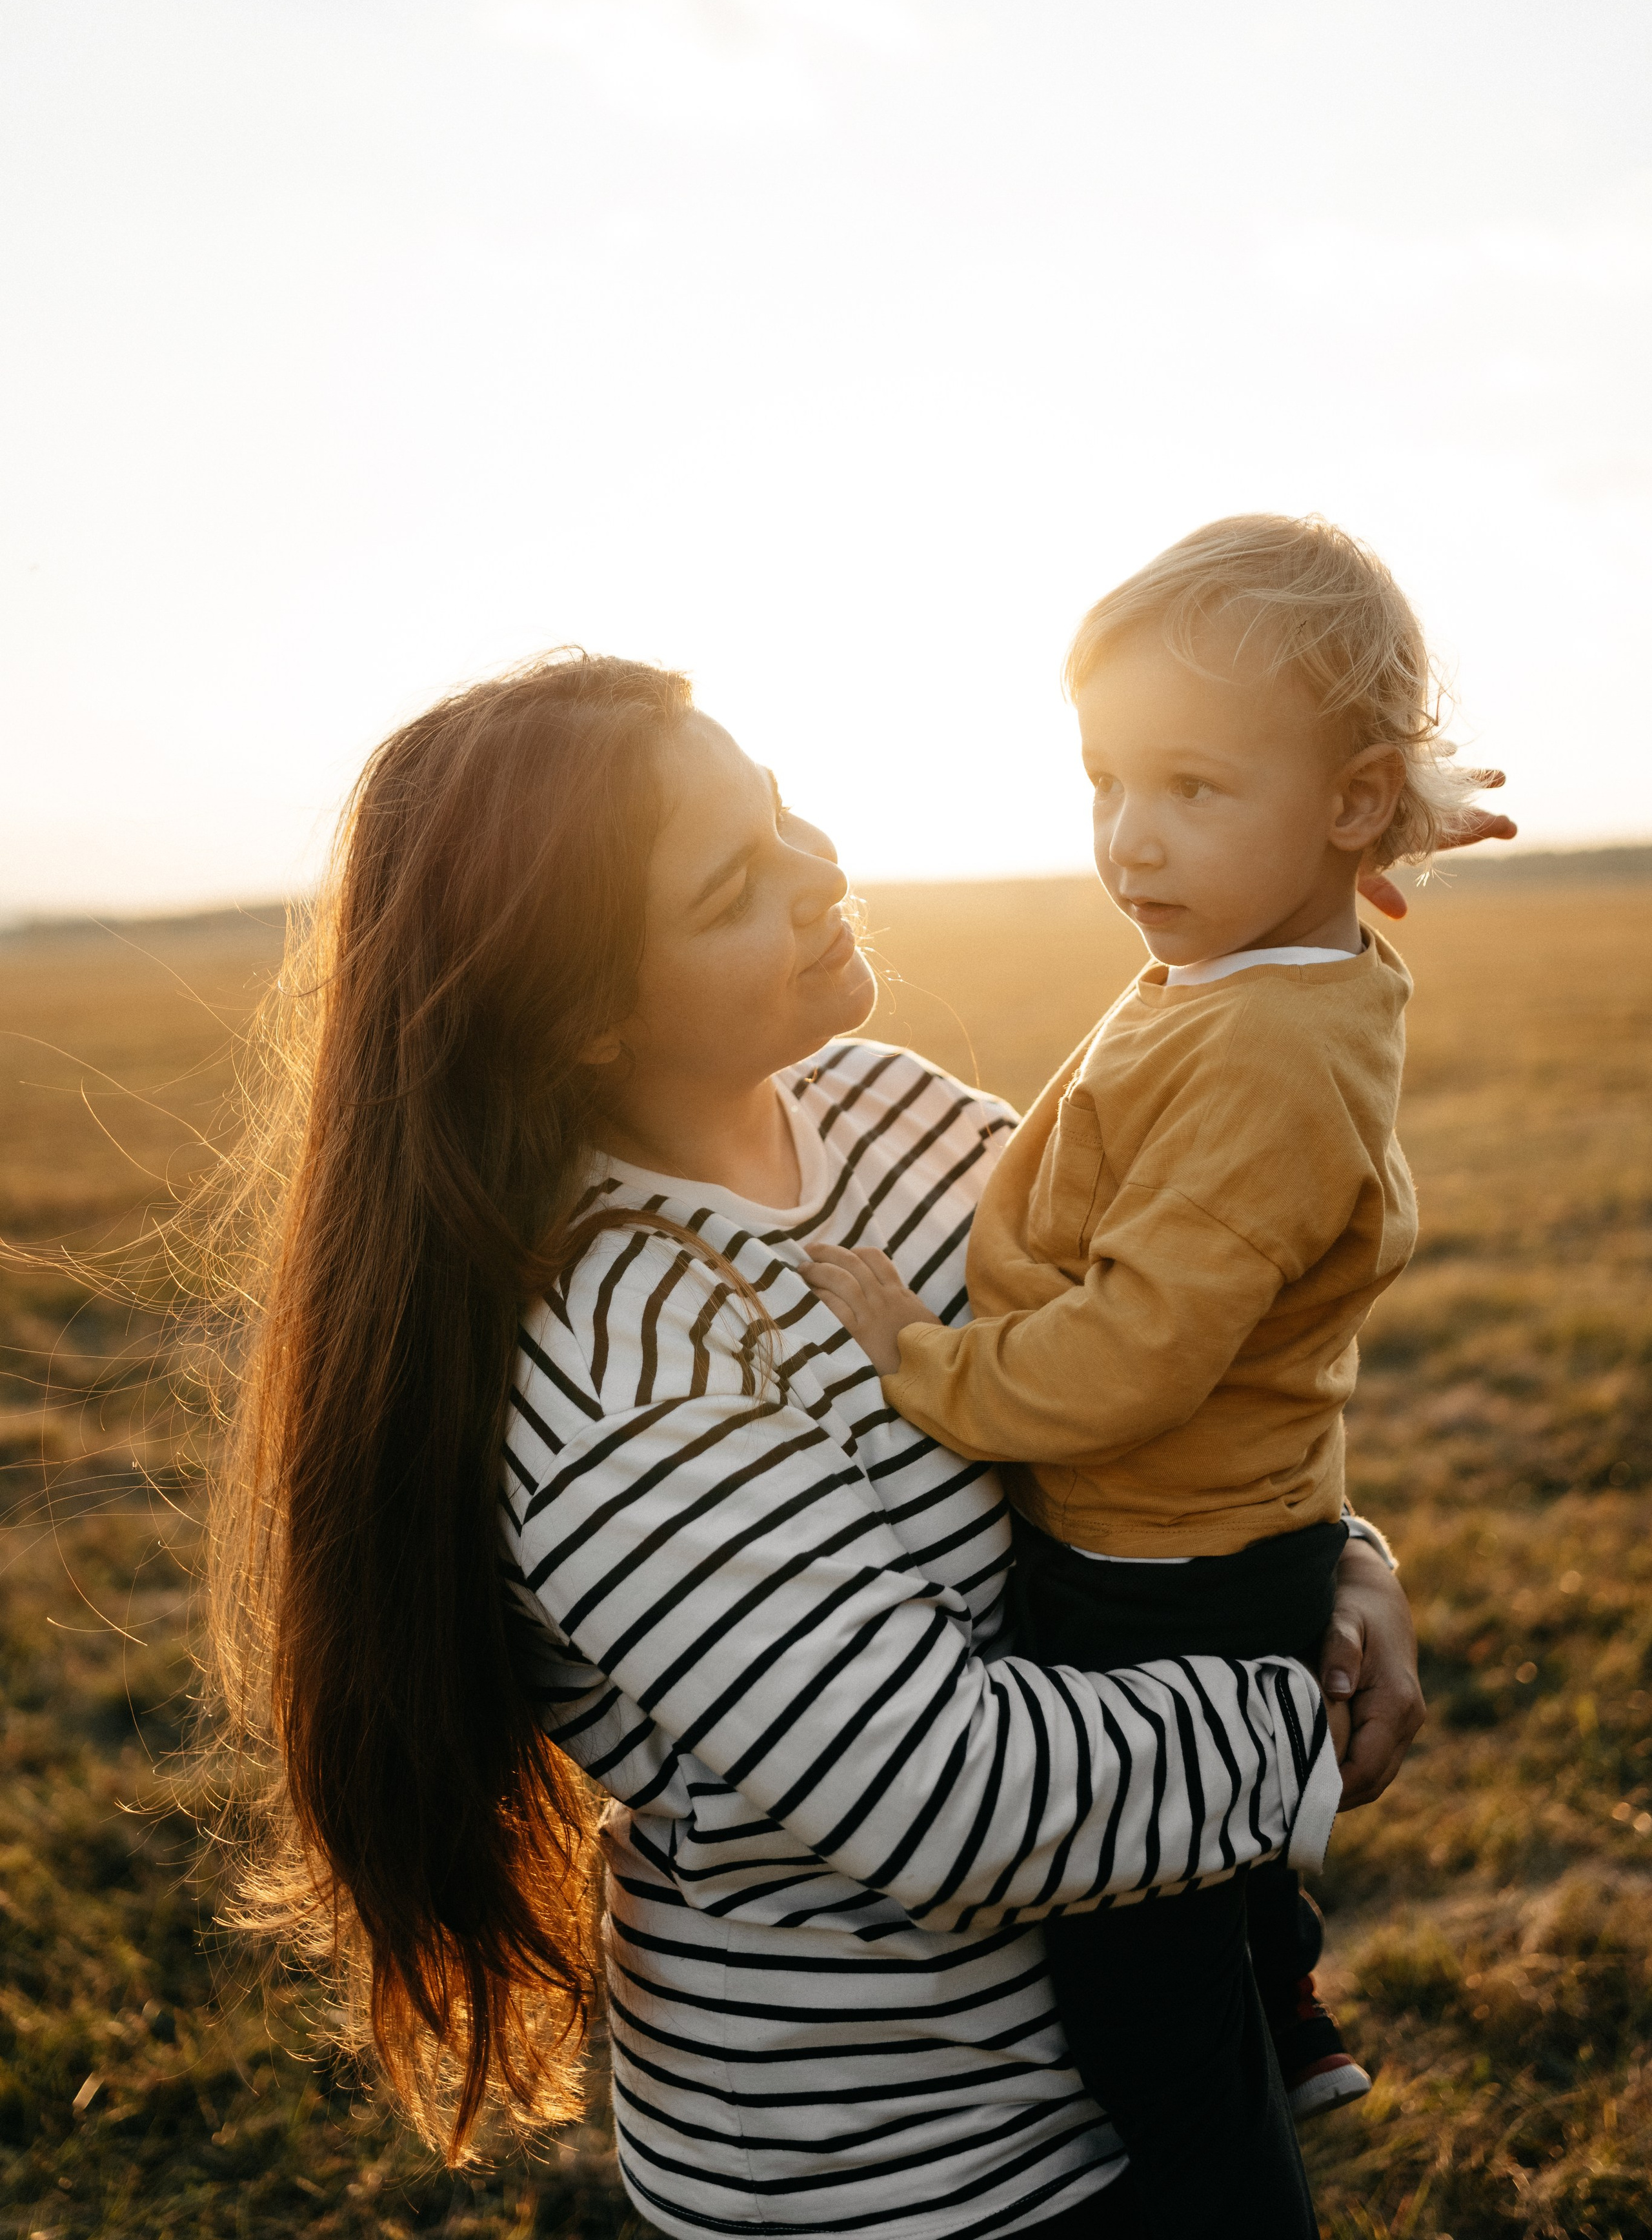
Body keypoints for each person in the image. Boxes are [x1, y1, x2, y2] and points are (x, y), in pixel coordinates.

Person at [208, 647, 1438, 2240]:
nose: (819, 870)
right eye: (733, 883)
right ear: (580, 1015)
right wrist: (1299, 1710)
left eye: (780, 810)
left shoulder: (877, 1109)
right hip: (906, 2170)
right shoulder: (620, 1372)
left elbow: (1160, 1366)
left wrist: (1333, 1553)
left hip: (1154, 2056)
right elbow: (954, 1802)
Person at [805, 514, 1497, 2238]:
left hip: (1151, 1554)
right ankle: (1285, 1990)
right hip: (1225, 1529)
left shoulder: (1266, 1045)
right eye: (1107, 781)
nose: (1131, 839)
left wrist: (924, 1362)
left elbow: (1136, 1353)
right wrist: (1354, 823)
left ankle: (1239, 2162)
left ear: (1343, 809)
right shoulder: (1264, 969)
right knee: (1214, 1888)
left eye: (1194, 788)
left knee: (1133, 1965)